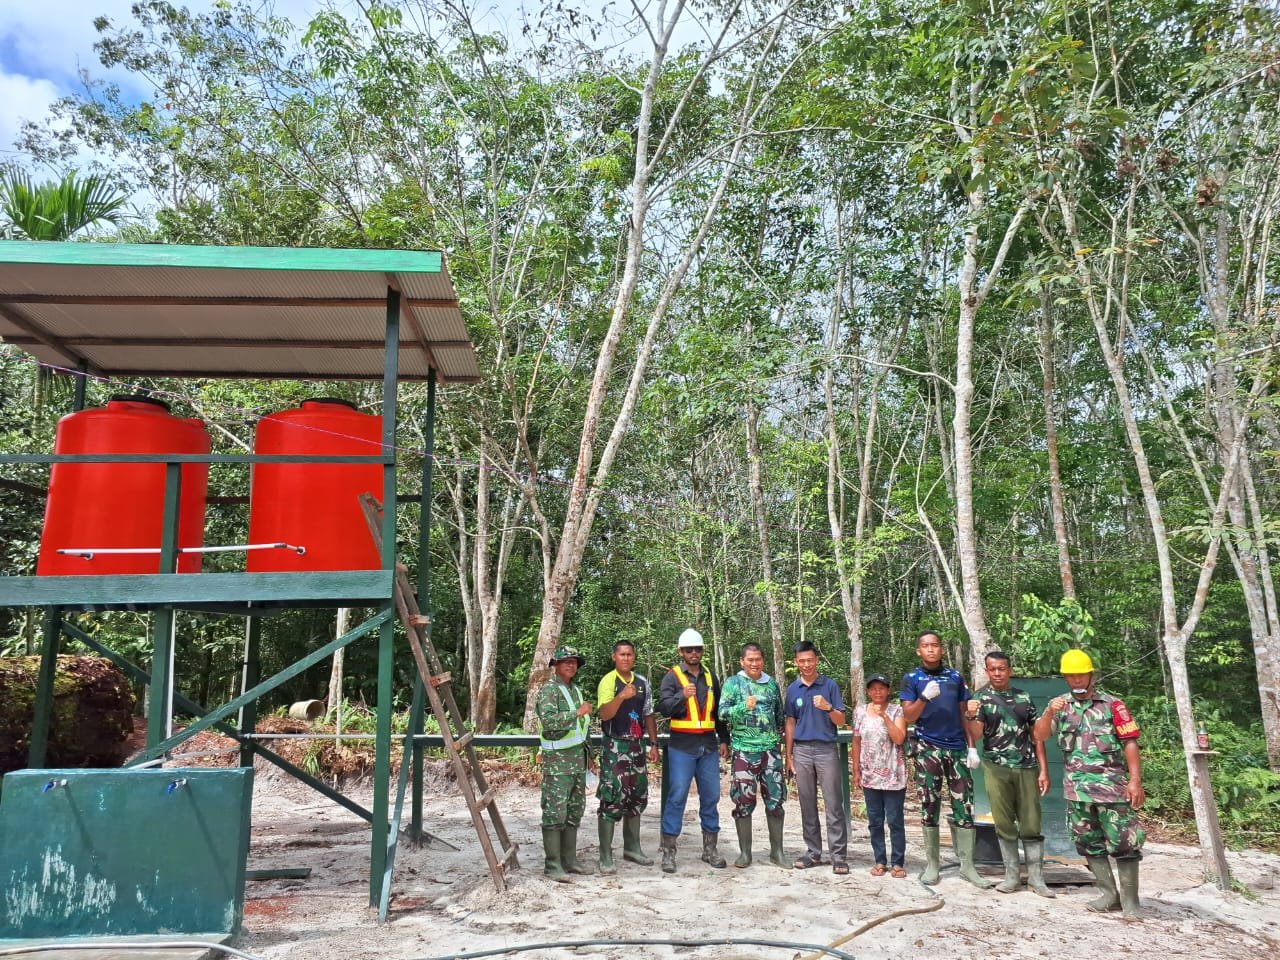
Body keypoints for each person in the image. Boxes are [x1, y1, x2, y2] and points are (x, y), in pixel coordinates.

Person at [1034, 649, 1145, 918]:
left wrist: (1135, 780)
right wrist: (1049, 712)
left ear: (1091, 674)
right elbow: (1039, 734)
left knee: (1125, 843)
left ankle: (1131, 902)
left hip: (1112, 789)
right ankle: (1109, 895)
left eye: (1081, 674)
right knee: (1088, 842)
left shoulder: (1112, 705)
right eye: (1070, 676)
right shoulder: (1059, 705)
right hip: (1077, 790)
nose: (1076, 680)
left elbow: (1129, 742)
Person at [900, 630, 990, 888]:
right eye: (925, 646)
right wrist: (923, 697)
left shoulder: (955, 677)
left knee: (965, 805)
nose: (930, 650)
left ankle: (968, 866)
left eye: (935, 646)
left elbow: (965, 714)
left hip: (958, 749)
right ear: (919, 650)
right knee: (930, 804)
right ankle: (932, 865)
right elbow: (908, 716)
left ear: (941, 649)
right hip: (928, 748)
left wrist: (972, 747)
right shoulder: (912, 679)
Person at [964, 650, 1054, 897]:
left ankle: (1036, 879)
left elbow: (1037, 737)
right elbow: (977, 734)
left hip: (1026, 767)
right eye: (992, 669)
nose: (997, 673)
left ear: (1009, 670)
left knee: (1031, 822)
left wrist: (1044, 770)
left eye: (1001, 668)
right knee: (1003, 822)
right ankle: (1012, 876)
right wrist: (971, 714)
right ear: (987, 671)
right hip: (996, 767)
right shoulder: (980, 699)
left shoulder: (1024, 697)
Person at [657, 627, 730, 872]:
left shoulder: (710, 678)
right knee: (677, 796)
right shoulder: (672, 677)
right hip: (682, 746)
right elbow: (664, 708)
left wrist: (724, 739)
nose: (693, 653)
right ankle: (669, 852)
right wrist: (681, 695)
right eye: (689, 650)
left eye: (697, 649)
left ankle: (710, 849)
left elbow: (717, 712)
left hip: (707, 745)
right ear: (681, 652)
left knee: (711, 797)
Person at [719, 642, 787, 868]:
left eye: (758, 659)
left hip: (770, 752)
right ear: (742, 661)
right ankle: (745, 853)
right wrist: (742, 707)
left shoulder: (771, 685)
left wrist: (776, 743)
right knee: (743, 800)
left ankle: (777, 852)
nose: (754, 663)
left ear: (763, 661)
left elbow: (779, 716)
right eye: (750, 660)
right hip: (744, 751)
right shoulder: (733, 683)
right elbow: (722, 713)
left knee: (775, 800)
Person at [783, 641, 848, 873]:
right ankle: (813, 852)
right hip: (801, 751)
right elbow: (790, 723)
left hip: (826, 750)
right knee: (807, 803)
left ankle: (838, 855)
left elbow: (841, 720)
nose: (807, 664)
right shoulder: (793, 689)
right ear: (796, 662)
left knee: (833, 803)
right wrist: (788, 756)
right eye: (802, 661)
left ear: (817, 660)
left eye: (810, 660)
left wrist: (828, 707)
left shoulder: (829, 685)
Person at [595, 640, 660, 874]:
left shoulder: (642, 682)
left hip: (637, 747)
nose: (626, 658)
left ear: (634, 657)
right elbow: (604, 714)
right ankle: (605, 855)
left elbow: (648, 714)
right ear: (614, 657)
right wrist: (621, 696)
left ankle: (632, 848)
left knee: (636, 797)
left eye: (629, 654)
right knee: (612, 798)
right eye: (621, 654)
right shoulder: (608, 681)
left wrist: (653, 743)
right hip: (614, 747)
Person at [535, 644, 595, 881]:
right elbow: (549, 722)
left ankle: (569, 860)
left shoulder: (576, 691)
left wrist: (591, 757)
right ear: (556, 665)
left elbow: (584, 727)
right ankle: (552, 865)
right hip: (558, 763)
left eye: (574, 662)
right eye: (566, 661)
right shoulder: (549, 691)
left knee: (574, 811)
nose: (571, 665)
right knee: (554, 812)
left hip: (577, 761)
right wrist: (576, 713)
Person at [852, 674, 908, 878]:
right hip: (869, 775)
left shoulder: (897, 710)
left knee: (895, 820)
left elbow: (899, 738)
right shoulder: (860, 712)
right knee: (875, 821)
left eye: (882, 688)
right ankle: (880, 860)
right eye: (873, 689)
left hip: (893, 775)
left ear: (888, 691)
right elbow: (856, 741)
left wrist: (884, 716)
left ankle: (898, 862)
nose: (878, 692)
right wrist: (856, 770)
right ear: (868, 691)